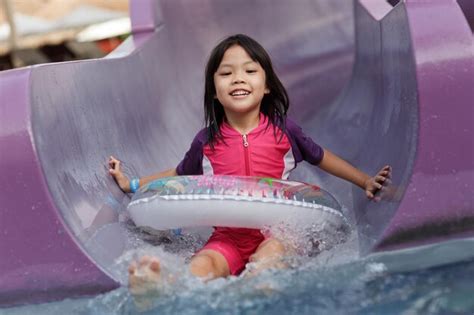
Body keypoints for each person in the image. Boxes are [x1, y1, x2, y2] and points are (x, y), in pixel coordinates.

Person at [108, 34, 391, 296]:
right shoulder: (207, 141)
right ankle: (159, 286)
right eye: (226, 73)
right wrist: (133, 184)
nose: (238, 79)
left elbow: (321, 157)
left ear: (267, 86)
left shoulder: (284, 131)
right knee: (203, 265)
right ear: (214, 92)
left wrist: (364, 181)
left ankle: (253, 287)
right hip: (227, 237)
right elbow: (178, 176)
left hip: (277, 231)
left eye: (250, 71)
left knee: (271, 258)